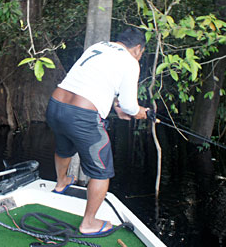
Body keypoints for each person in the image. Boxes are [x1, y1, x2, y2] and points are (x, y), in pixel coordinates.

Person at [46, 27, 149, 235]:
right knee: (101, 171)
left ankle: (61, 182)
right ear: (138, 48)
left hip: (56, 106)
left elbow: (93, 84)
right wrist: (140, 112)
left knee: (64, 146)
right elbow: (130, 106)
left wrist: (115, 106)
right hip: (82, 117)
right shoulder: (130, 62)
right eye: (142, 52)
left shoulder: (99, 47)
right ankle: (89, 223)